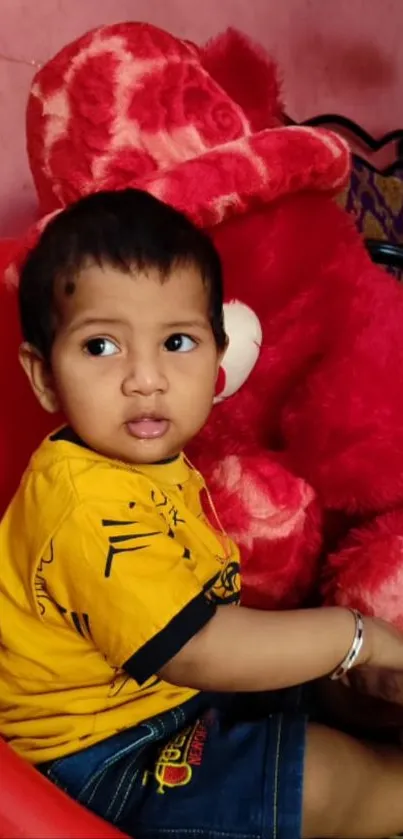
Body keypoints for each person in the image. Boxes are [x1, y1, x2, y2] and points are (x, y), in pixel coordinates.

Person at [2, 189, 403, 839]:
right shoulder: (81, 502)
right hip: (99, 753)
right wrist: (352, 636)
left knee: (349, 692)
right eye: (101, 346)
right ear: (44, 375)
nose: (146, 378)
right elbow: (197, 649)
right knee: (321, 779)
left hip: (172, 697)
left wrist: (349, 663)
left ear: (217, 358)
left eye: (177, 341)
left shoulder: (147, 459)